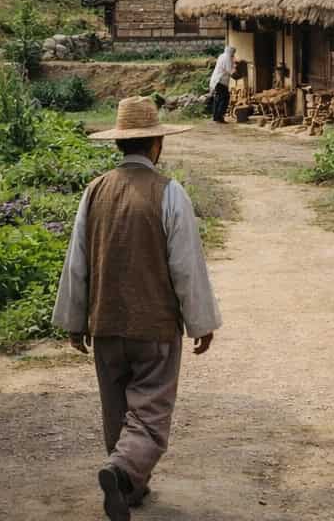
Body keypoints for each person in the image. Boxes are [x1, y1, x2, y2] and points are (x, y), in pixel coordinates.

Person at [52, 96, 221, 520]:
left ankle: (129, 487)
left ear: (119, 146)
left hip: (105, 324)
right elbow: (186, 266)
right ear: (157, 146)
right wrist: (201, 322)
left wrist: (75, 321)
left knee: (116, 408)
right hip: (155, 328)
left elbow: (78, 262)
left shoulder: (94, 192)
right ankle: (123, 469)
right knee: (149, 413)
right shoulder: (170, 193)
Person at [208, 45, 236, 124]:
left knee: (218, 99)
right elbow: (230, 70)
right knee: (224, 98)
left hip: (215, 80)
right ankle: (220, 117)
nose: (233, 55)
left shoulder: (222, 56)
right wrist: (237, 74)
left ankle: (215, 117)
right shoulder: (227, 58)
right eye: (233, 53)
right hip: (220, 81)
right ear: (231, 52)